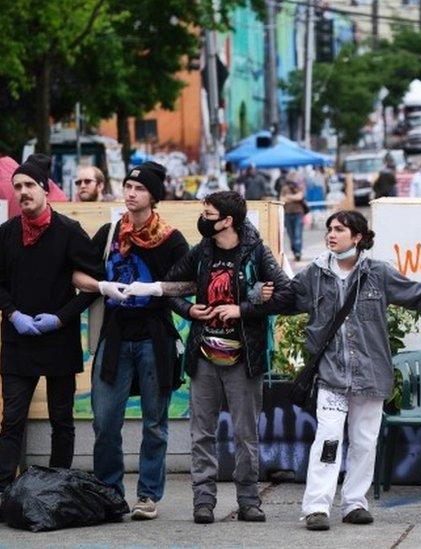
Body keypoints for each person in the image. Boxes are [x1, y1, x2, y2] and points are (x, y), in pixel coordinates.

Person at [293, 211, 421, 531]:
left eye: (339, 229)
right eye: (329, 229)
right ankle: (316, 506)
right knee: (327, 438)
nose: (331, 234)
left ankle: (355, 502)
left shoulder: (378, 273)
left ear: (357, 237)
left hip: (370, 374)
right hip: (330, 375)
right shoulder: (314, 274)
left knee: (365, 441)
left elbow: (416, 294)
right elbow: (287, 298)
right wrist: (260, 294)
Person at [163, 191, 293, 524]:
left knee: (245, 433)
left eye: (208, 214)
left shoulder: (257, 252)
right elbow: (169, 286)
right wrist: (190, 309)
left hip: (243, 358)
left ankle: (249, 501)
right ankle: (203, 501)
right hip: (204, 354)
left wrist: (244, 309)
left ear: (227, 220)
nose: (203, 219)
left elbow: (286, 293)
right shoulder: (201, 251)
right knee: (201, 433)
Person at [82, 161, 190, 520]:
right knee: (105, 421)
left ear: (154, 196)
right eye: (127, 186)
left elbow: (192, 283)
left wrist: (158, 287)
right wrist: (101, 285)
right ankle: (110, 493)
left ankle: (148, 496)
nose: (130, 193)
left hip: (154, 339)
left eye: (139, 188)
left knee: (155, 423)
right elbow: (79, 272)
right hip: (115, 338)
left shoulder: (172, 239)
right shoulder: (111, 233)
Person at [0, 154, 104, 499]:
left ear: (45, 189)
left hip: (59, 339)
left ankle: (58, 488)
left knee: (62, 420)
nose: (23, 192)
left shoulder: (69, 232)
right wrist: (12, 313)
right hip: (18, 339)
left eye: (29, 185)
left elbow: (96, 285)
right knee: (12, 419)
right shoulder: (6, 233)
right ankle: (2, 490)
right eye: (18, 187)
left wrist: (62, 317)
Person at [279, 170, 307, 262]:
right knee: (291, 235)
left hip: (298, 213)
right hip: (287, 213)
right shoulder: (284, 188)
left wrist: (289, 197)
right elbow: (282, 199)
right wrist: (293, 197)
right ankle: (295, 251)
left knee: (298, 234)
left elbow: (300, 197)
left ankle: (298, 252)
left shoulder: (300, 187)